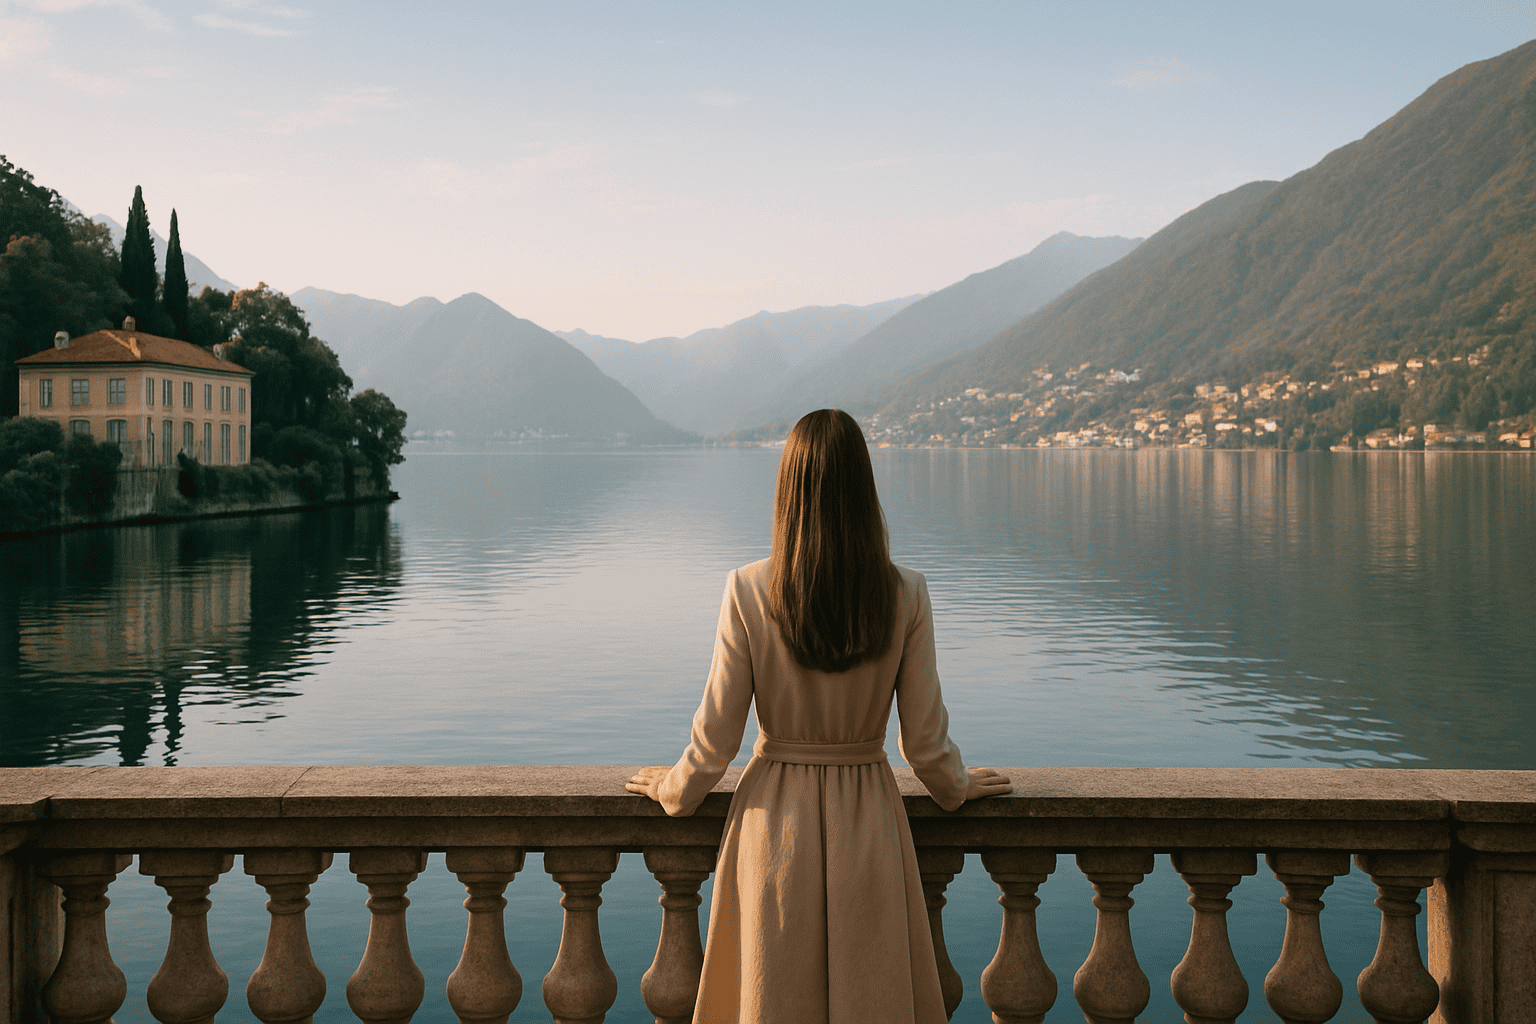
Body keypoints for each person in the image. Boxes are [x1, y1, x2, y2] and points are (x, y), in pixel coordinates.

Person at [626, 408, 1012, 1024]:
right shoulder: (906, 592)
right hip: (870, 825)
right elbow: (926, 744)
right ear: (865, 489)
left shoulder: (748, 589)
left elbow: (716, 738)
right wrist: (955, 789)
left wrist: (673, 790)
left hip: (773, 828)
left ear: (787, 489)